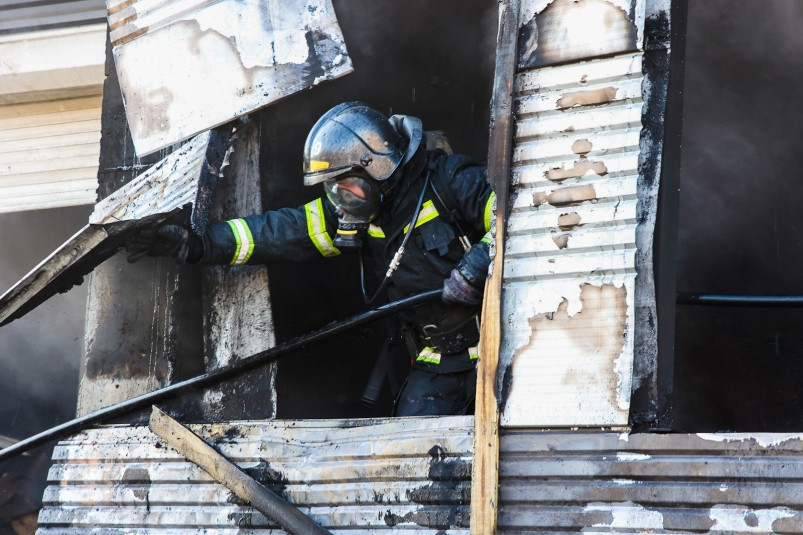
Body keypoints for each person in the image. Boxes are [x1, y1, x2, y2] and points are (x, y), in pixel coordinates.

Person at [126, 101, 495, 416]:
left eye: (346, 185)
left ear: (376, 166)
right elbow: (279, 232)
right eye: (331, 189)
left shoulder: (453, 182)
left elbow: (519, 211)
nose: (339, 199)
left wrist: (478, 265)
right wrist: (200, 244)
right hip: (439, 363)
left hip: (501, 345)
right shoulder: (358, 215)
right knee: (419, 455)